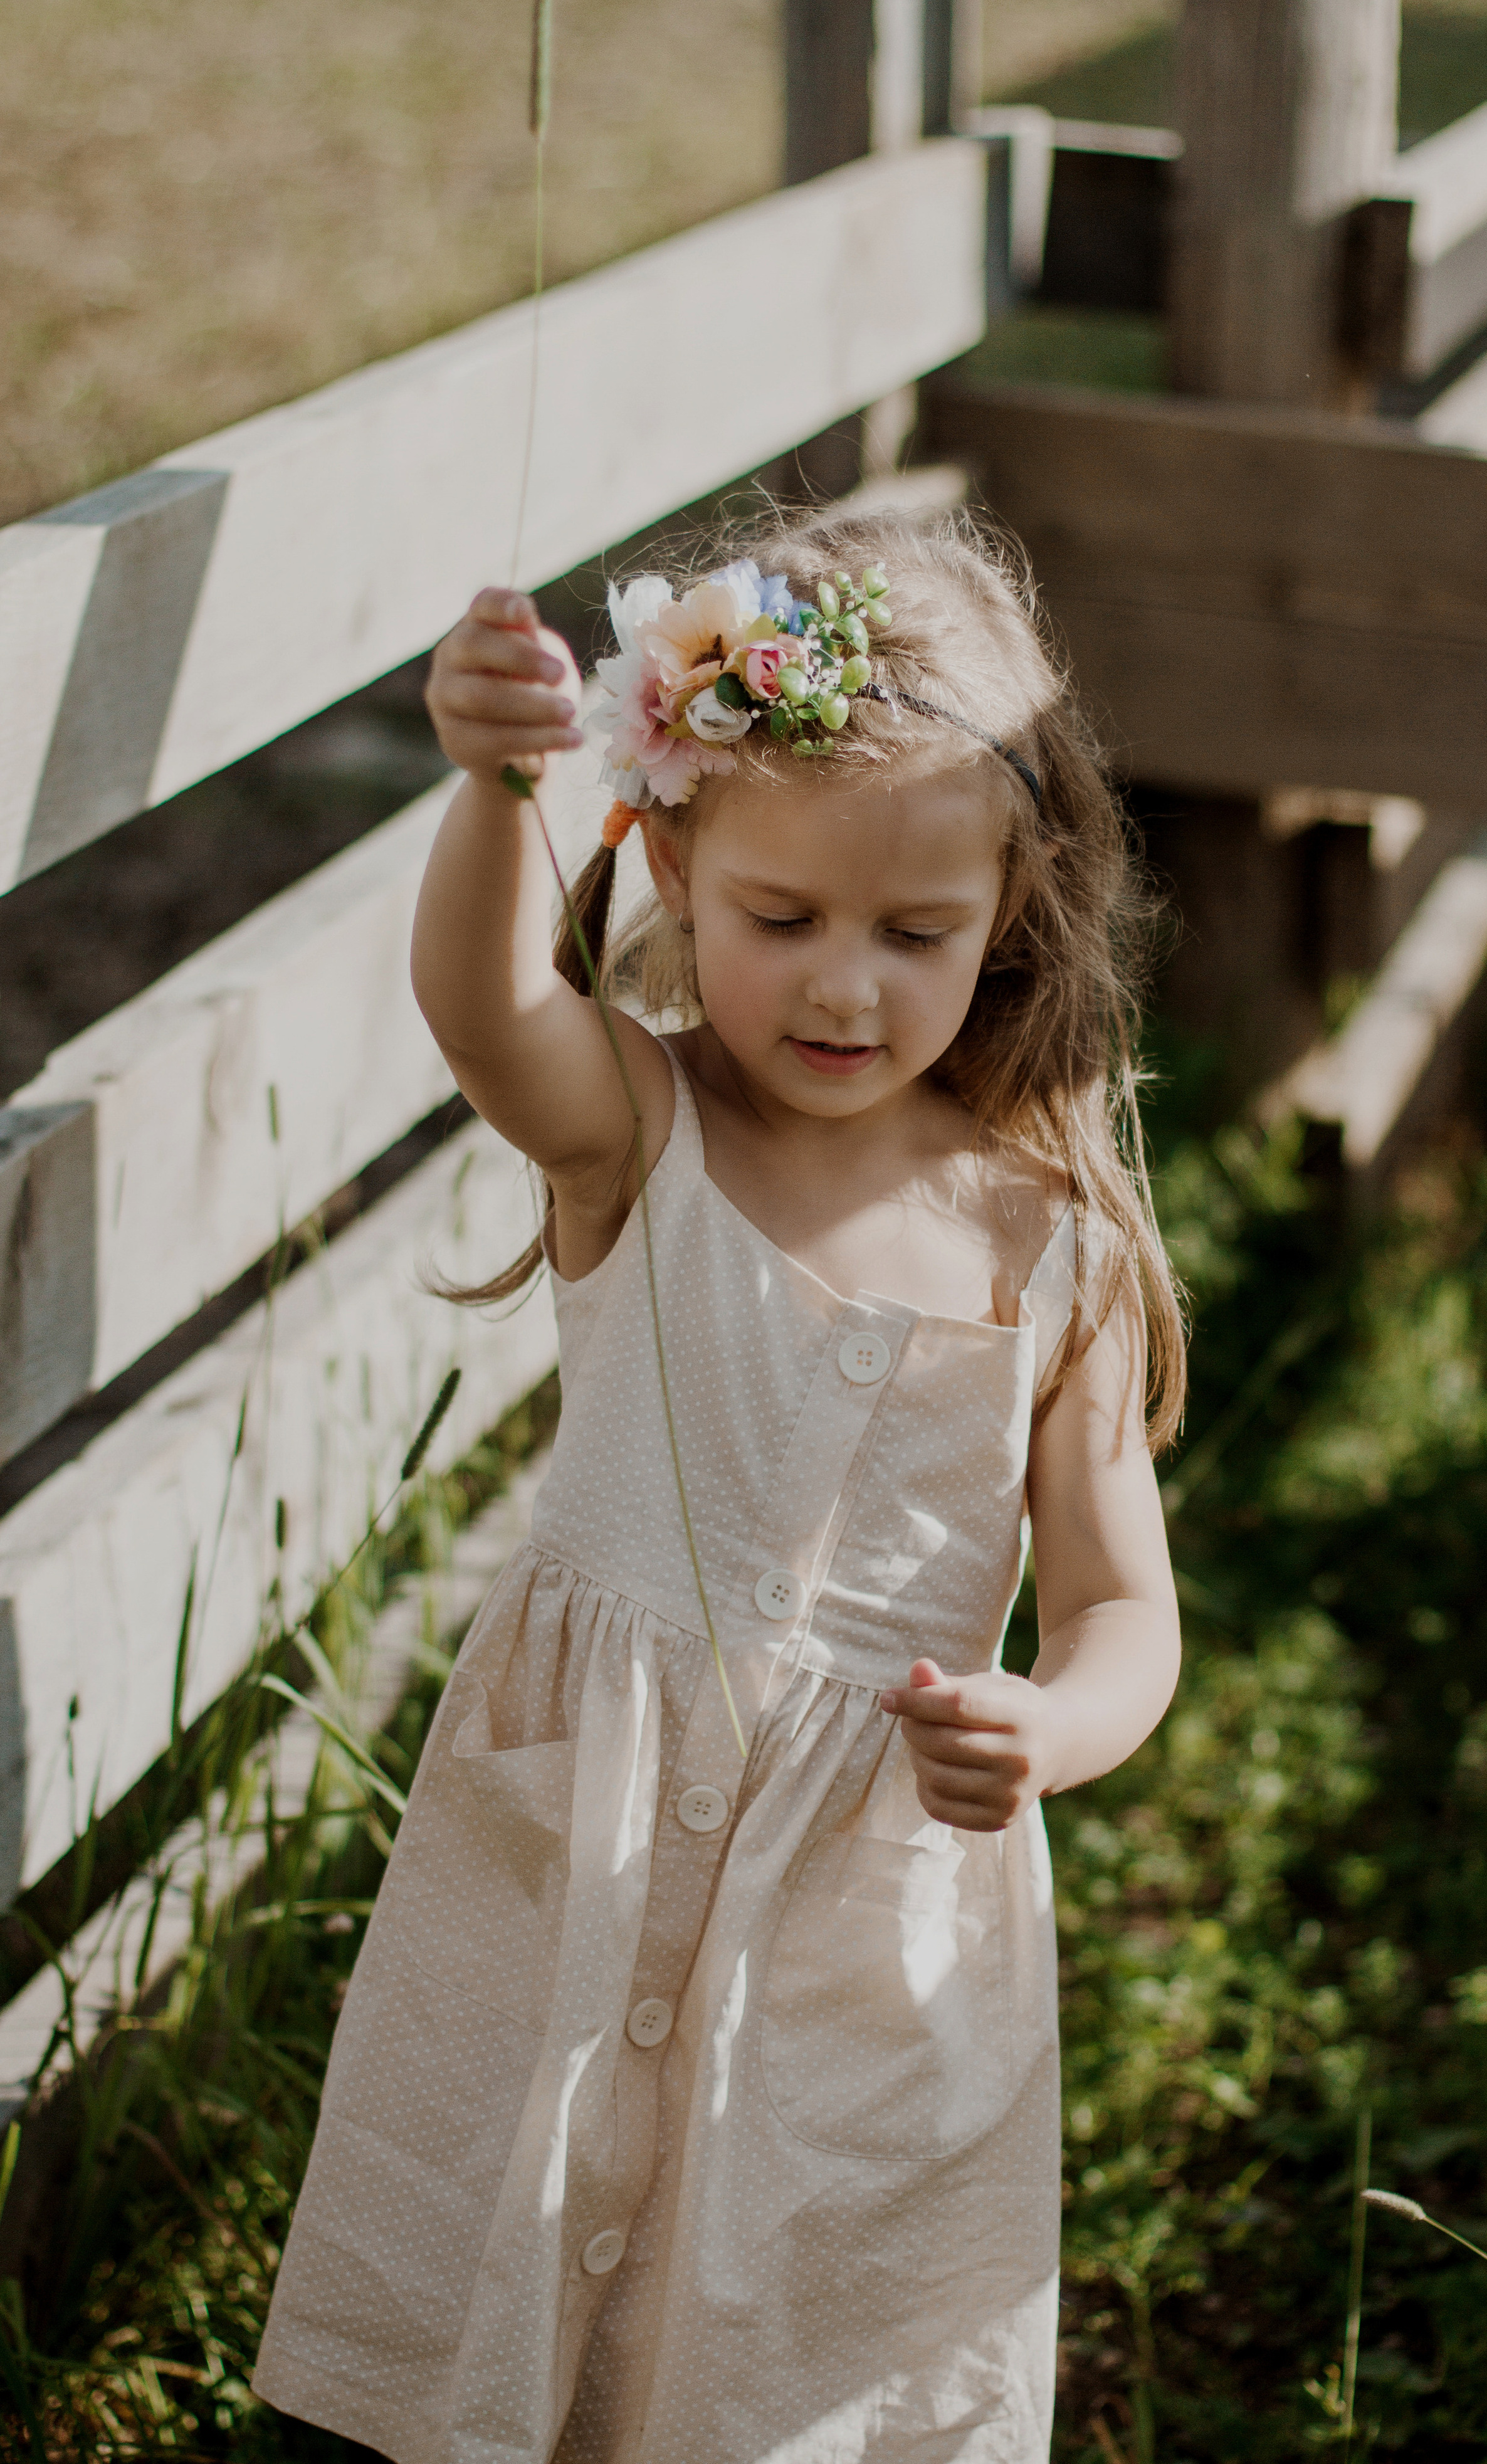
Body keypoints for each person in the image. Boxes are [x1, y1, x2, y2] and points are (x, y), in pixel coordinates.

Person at [253, 507, 1185, 2464]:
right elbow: (488, 1013)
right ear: (672, 857)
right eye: (783, 920)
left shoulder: (1051, 1241)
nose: (844, 989)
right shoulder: (647, 1121)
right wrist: (502, 787)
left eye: (914, 936)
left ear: (1007, 914)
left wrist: (1051, 1719)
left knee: (795, 2342)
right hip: (564, 1880)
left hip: (862, 1952)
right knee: (483, 2249)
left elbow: (1120, 1606)